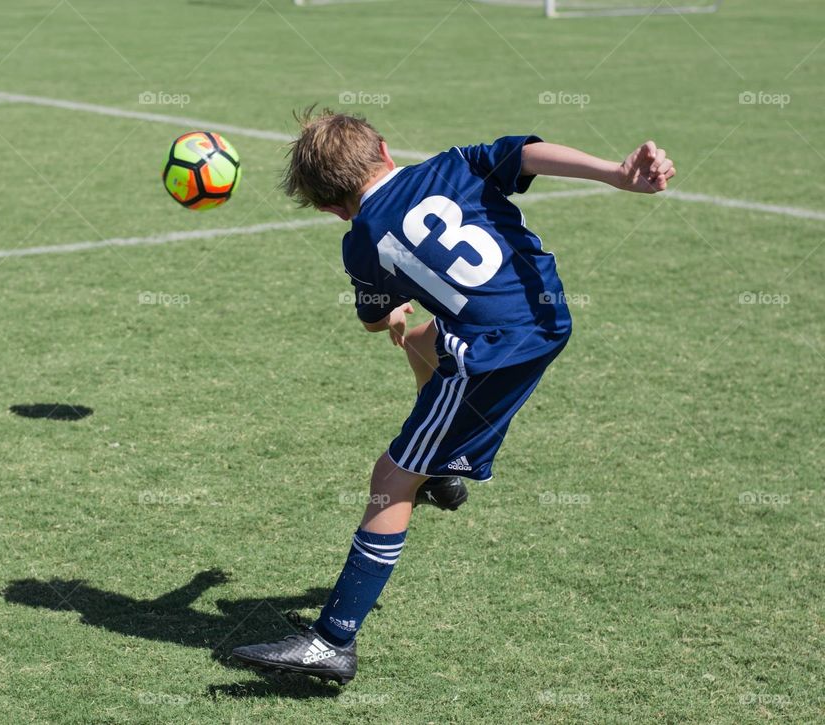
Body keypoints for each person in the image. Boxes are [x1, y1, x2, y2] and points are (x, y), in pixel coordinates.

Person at [232, 108, 675, 684]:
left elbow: (373, 319)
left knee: (390, 479)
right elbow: (526, 154)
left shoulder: (361, 240)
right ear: (385, 151)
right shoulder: (453, 164)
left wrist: (390, 309)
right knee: (423, 343)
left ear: (330, 209)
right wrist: (615, 173)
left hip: (495, 348)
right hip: (542, 311)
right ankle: (441, 470)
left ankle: (331, 642)